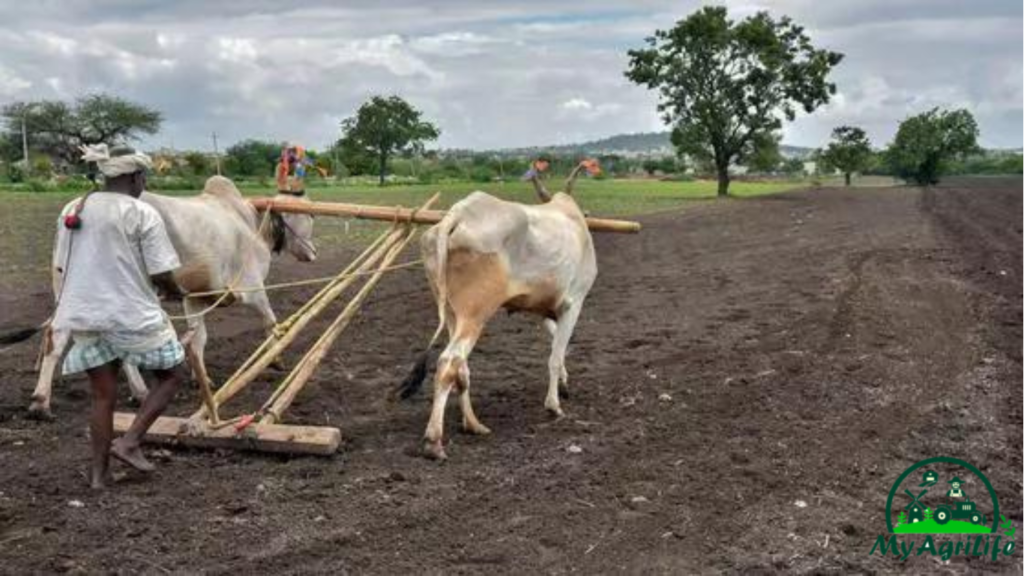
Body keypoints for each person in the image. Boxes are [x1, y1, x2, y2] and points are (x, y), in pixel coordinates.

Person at [53, 143, 187, 489]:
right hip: (130, 315)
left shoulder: (74, 206)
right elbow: (160, 272)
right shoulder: (140, 213)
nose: (143, 183)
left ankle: (99, 476)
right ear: (134, 176)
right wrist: (175, 291)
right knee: (172, 374)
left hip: (83, 313)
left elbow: (63, 262)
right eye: (143, 176)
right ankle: (129, 442)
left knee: (103, 395)